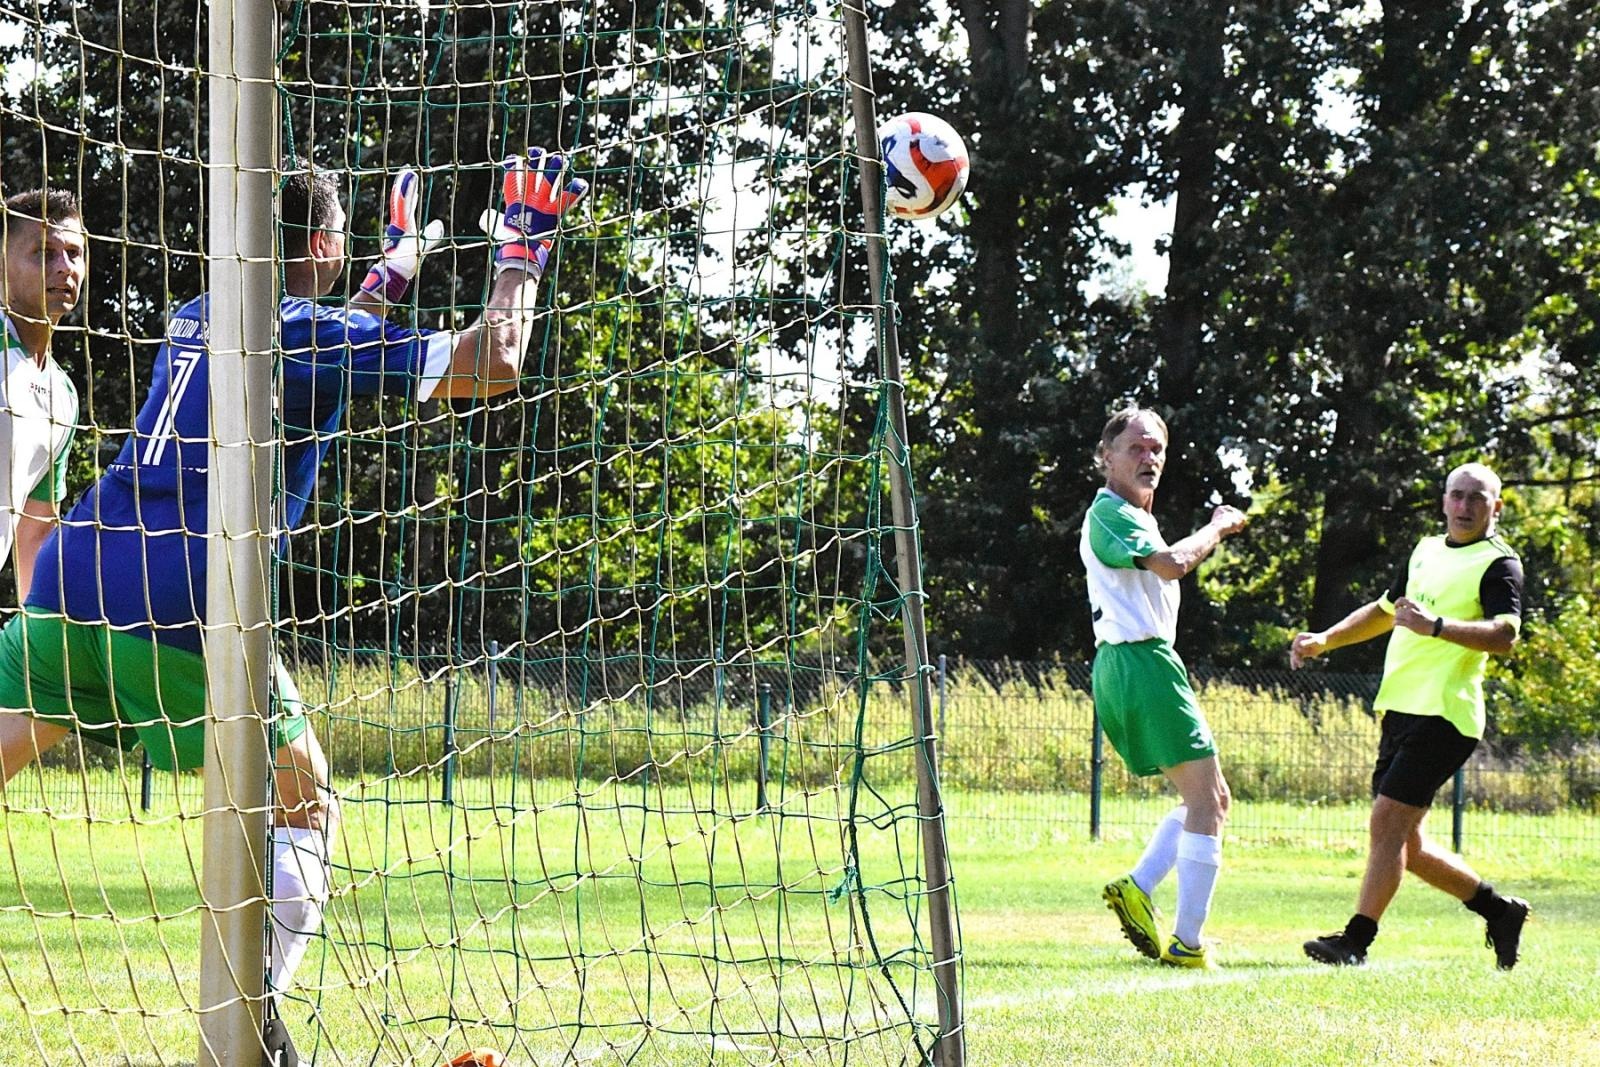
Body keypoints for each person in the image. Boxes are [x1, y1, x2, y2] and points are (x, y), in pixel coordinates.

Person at [0, 149, 589, 1012]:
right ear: (321, 244)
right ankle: (251, 1010)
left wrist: (386, 279)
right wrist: (520, 254)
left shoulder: (200, 311)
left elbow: (309, 358)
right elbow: (493, 359)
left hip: (70, 575)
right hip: (183, 602)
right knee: (307, 806)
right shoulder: (306, 335)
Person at [1290, 461, 1529, 969]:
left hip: (1447, 715)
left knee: (1386, 823)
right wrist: (1325, 640)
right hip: (1400, 709)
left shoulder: (1499, 563)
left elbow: (1506, 635)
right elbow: (1384, 611)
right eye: (1457, 496)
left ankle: (1355, 941)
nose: (1465, 507)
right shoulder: (1424, 551)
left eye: (1477, 499)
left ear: (1497, 507)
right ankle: (1499, 911)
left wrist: (1438, 626)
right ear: (1444, 500)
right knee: (1407, 844)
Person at [1082, 407, 1247, 969]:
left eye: (1156, 449)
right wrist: (1219, 526)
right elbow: (1173, 564)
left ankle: (1139, 886)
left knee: (1213, 799)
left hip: (1142, 664)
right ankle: (1187, 943)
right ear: (1106, 456)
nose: (1148, 458)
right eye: (1136, 448)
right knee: (1206, 802)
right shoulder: (1109, 514)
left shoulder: (1133, 515)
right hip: (1139, 664)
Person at [0, 189, 85, 603]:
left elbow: (34, 529)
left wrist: (34, 634)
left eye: (73, 253)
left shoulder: (63, 395)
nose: (64, 267)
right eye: (44, 252)